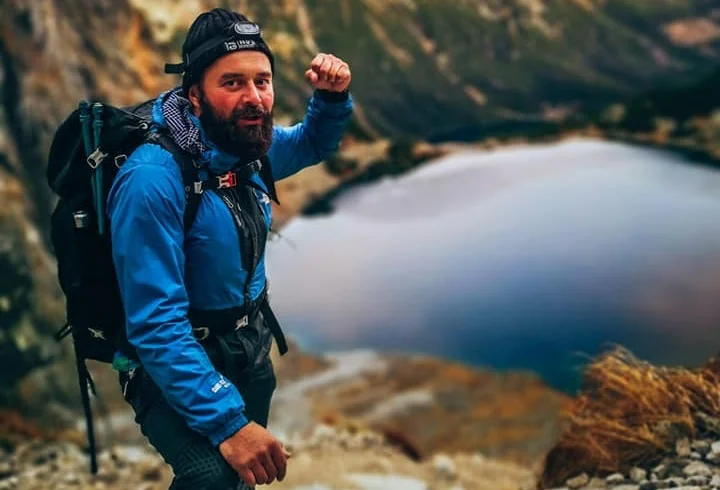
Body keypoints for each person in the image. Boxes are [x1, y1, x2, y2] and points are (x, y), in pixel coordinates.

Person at [106, 7, 353, 489]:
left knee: (241, 478)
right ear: (194, 95)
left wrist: (331, 98)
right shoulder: (152, 179)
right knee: (212, 475)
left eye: (262, 81)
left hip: (247, 350)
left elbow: (310, 145)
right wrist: (227, 424)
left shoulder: (245, 145)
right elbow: (156, 323)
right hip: (169, 361)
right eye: (232, 83)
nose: (253, 97)